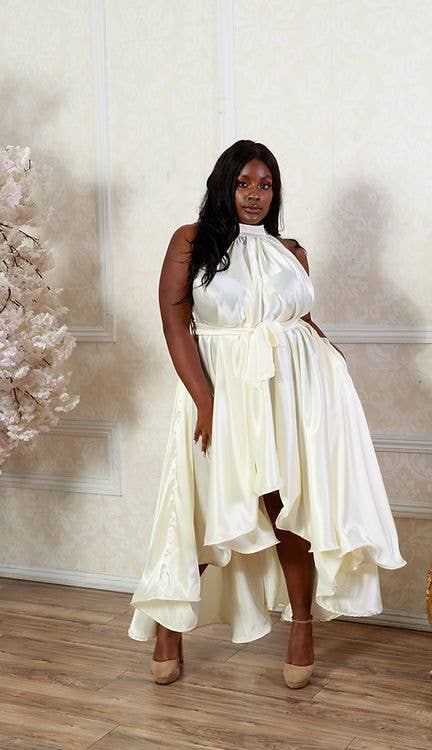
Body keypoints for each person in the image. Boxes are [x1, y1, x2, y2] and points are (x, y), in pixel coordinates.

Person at [128, 139, 407, 689]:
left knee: (286, 508)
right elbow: (174, 325)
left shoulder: (290, 250)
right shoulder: (191, 242)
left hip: (288, 394)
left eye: (266, 185)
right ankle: (170, 625)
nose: (255, 195)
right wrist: (205, 402)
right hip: (220, 392)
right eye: (243, 184)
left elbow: (297, 319)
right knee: (206, 508)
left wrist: (331, 361)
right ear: (223, 185)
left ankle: (302, 625)